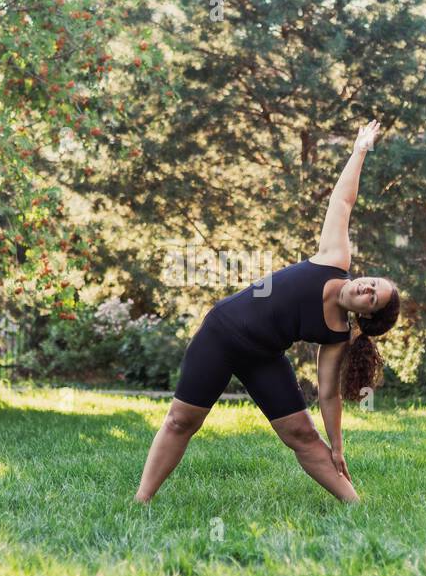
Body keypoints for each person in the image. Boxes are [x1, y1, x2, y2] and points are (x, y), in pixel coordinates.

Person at [134, 120, 401, 504]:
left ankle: (357, 506)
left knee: (304, 435)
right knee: (181, 420)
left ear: (366, 315)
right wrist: (359, 150)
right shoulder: (333, 258)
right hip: (223, 332)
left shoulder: (337, 334)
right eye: (373, 283)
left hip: (263, 356)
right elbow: (342, 202)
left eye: (372, 299)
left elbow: (328, 394)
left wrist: (338, 446)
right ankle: (141, 502)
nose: (367, 289)